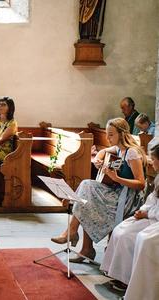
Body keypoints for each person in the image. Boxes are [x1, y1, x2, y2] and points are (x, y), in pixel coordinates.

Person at [51, 118, 146, 262]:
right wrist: (98, 160)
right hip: (117, 191)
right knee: (86, 191)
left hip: (128, 198)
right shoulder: (118, 149)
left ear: (122, 134)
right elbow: (103, 152)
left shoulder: (132, 153)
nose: (107, 138)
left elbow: (141, 183)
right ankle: (82, 244)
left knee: (88, 194)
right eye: (107, 134)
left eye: (111, 134)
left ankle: (74, 235)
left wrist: (116, 178)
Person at [101, 143, 159, 297]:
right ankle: (121, 275)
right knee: (121, 229)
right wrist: (144, 210)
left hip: (155, 219)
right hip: (152, 215)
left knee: (140, 238)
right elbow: (153, 199)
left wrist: (148, 214)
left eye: (154, 159)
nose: (152, 163)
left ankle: (135, 285)